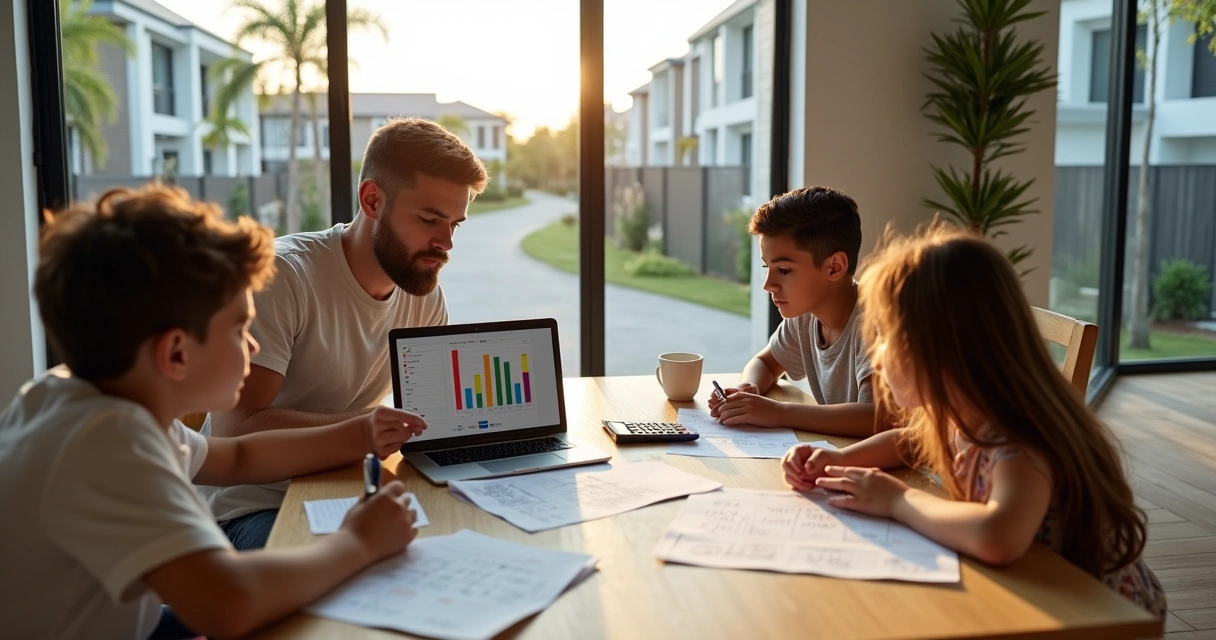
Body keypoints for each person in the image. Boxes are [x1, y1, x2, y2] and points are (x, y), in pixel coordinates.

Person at [0, 186, 424, 639]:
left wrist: (363, 432)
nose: (254, 345)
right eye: (240, 328)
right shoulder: (106, 440)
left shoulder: (78, 398)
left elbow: (240, 458)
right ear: (176, 353)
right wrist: (359, 542)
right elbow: (226, 605)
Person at [782, 224, 1167, 617]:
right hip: (1025, 595)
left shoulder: (1019, 439)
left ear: (944, 351)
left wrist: (897, 500)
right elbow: (906, 441)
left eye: (886, 339)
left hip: (1091, 616)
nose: (876, 357)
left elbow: (998, 537)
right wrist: (836, 460)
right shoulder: (958, 414)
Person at [207, 117, 488, 549]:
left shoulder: (422, 290)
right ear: (372, 199)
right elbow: (236, 431)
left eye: (455, 224)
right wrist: (367, 430)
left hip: (348, 490)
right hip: (257, 506)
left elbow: (434, 417)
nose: (445, 243)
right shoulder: (284, 276)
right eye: (430, 219)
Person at [709, 186, 877, 436]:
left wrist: (778, 412)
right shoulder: (806, 316)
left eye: (784, 270)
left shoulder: (875, 324)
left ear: (834, 267)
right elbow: (765, 363)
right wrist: (749, 388)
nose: (767, 285)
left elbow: (876, 418)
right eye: (767, 267)